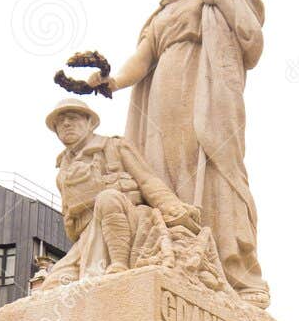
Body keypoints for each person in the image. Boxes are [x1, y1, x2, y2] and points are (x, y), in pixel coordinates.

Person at [84, 0, 269, 305]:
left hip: (205, 89)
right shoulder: (162, 13)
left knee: (212, 163)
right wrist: (112, 82)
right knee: (161, 166)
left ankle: (228, 263)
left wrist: (223, 0)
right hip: (162, 95)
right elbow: (143, 59)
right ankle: (177, 243)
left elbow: (253, 42)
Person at [40, 99, 200, 287]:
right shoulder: (63, 171)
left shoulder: (114, 146)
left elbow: (147, 180)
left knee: (107, 198)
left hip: (129, 222)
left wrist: (174, 208)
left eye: (72, 118)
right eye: (60, 122)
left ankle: (119, 265)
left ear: (89, 122)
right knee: (53, 284)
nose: (66, 124)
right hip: (88, 236)